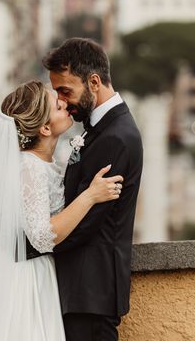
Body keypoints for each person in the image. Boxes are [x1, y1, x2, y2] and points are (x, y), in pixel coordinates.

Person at [0, 80, 124, 341]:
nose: (64, 102)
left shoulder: (43, 164)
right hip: (23, 281)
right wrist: (91, 196)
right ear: (45, 128)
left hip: (39, 274)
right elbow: (41, 236)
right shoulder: (29, 167)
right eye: (56, 105)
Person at [34, 38, 144, 341]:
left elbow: (85, 223)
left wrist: (37, 245)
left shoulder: (116, 137)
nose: (62, 101)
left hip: (91, 292)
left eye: (65, 91)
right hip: (83, 291)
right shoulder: (101, 129)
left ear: (93, 81)